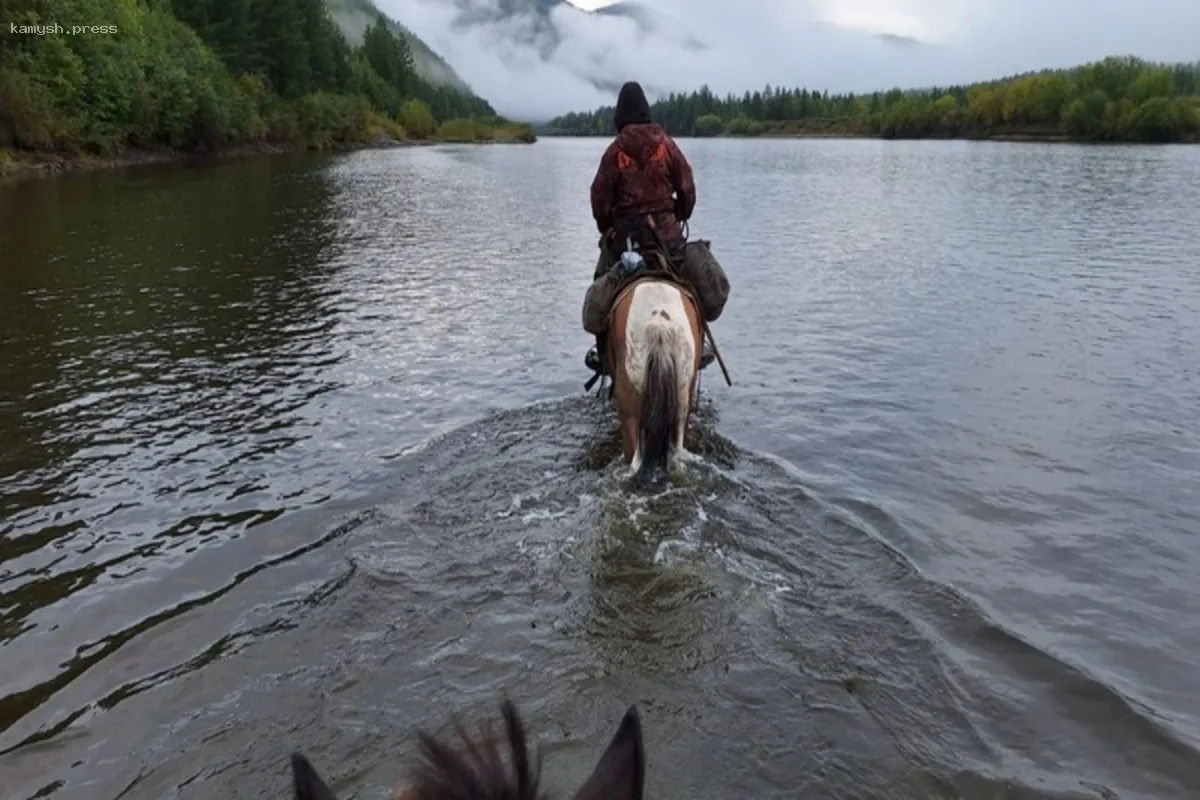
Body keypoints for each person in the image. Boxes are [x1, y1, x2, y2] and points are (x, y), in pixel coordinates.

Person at [583, 81, 724, 376]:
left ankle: (604, 355)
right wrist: (681, 212)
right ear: (646, 112)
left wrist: (606, 227)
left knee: (601, 281)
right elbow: (687, 185)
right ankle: (697, 348)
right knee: (694, 284)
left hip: (625, 244)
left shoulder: (614, 152)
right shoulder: (666, 144)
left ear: (620, 116)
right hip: (668, 242)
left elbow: (598, 198)